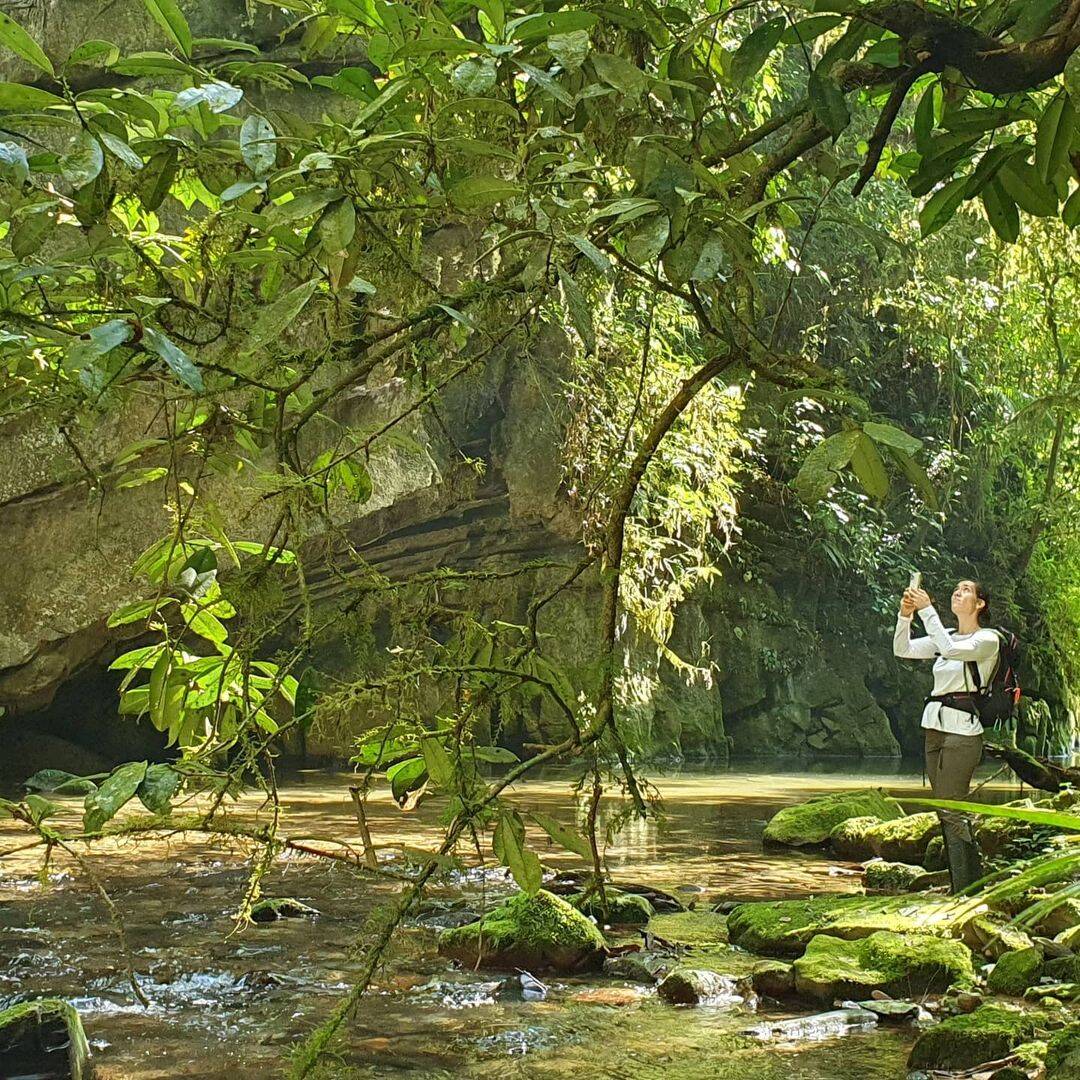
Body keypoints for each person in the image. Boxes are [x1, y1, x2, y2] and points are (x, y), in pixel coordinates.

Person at [893, 579, 999, 892]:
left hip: (963, 733)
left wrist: (927, 610)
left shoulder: (988, 639)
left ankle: (968, 888)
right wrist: (905, 615)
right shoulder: (946, 635)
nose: (958, 591)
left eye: (966, 589)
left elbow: (952, 651)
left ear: (980, 604)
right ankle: (964, 883)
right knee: (945, 808)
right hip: (935, 729)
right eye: (955, 588)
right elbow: (903, 649)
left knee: (951, 808)